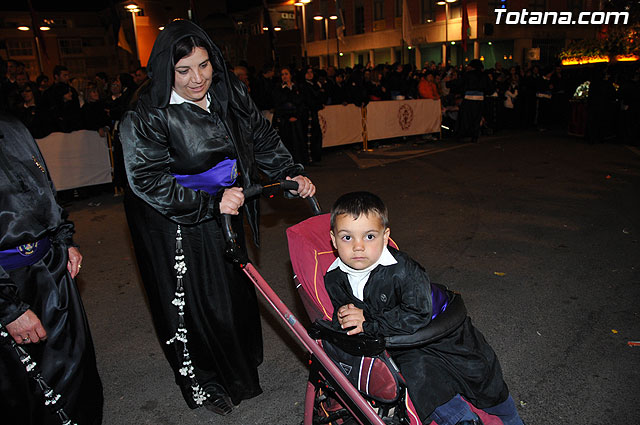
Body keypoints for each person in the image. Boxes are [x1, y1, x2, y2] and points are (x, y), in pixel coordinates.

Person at [119, 19, 316, 416]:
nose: (198, 79)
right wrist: (208, 204)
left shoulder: (229, 93)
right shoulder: (147, 114)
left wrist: (288, 171)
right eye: (184, 70)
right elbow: (146, 179)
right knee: (194, 302)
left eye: (204, 65)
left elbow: (259, 136)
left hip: (227, 207)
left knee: (231, 289)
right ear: (165, 70)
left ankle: (239, 362)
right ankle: (205, 380)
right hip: (177, 221)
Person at [325, 192, 524, 425]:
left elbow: (417, 314)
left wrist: (368, 321)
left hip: (444, 331)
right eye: (347, 238)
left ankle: (510, 417)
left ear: (385, 236)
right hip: (405, 346)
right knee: (420, 378)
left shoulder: (403, 270)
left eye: (369, 236)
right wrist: (342, 318)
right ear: (334, 239)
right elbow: (346, 315)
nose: (358, 247)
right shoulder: (334, 277)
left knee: (483, 382)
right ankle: (460, 418)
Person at [0, 111, 103, 425]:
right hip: (7, 281)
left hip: (49, 267)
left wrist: (63, 238)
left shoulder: (12, 125)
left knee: (73, 368)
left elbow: (43, 187)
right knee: (21, 389)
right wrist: (8, 309)